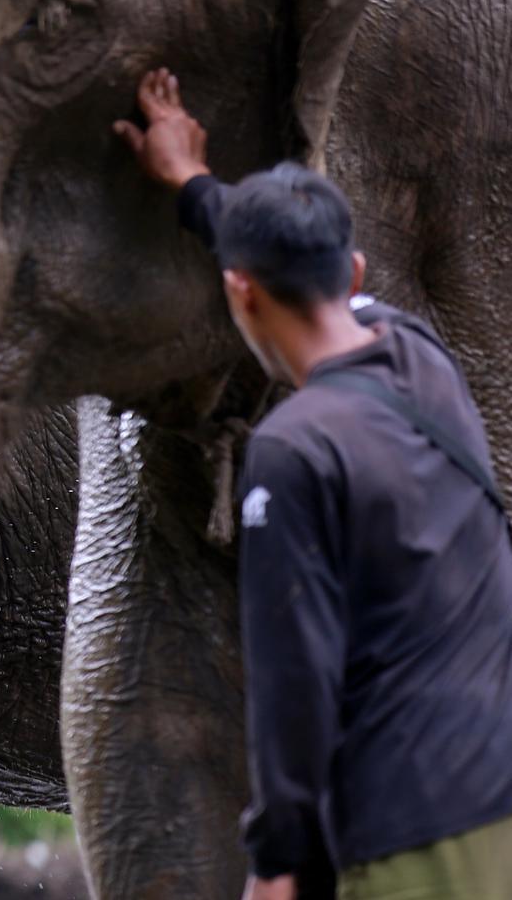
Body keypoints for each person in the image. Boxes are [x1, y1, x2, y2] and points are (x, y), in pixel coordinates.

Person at [114, 68, 512, 900]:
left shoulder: (291, 451)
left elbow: (292, 676)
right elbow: (277, 259)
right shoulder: (418, 359)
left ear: (238, 294)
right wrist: (190, 181)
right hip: (490, 797)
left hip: (406, 832)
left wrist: (273, 862)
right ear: (355, 272)